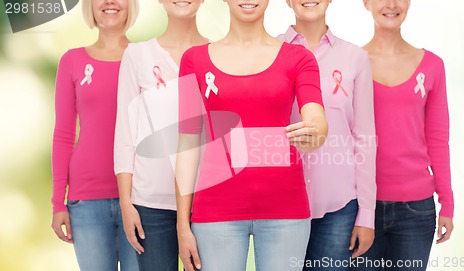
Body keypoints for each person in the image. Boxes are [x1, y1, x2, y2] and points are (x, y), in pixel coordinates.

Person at [175, 0, 328, 270]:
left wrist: (316, 130)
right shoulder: (194, 60)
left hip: (286, 211)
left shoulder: (299, 57)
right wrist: (182, 226)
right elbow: (188, 143)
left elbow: (316, 116)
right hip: (215, 212)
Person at [352, 0, 455, 270]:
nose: (390, 4)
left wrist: (447, 203)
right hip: (361, 208)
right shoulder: (351, 63)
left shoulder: (432, 65)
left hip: (416, 209)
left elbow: (438, 139)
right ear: (365, 3)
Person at [278, 1, 376, 270]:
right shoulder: (268, 52)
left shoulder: (354, 57)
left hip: (338, 206)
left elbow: (365, 138)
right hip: (279, 205)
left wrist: (367, 214)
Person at [114, 0, 208, 270]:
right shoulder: (137, 55)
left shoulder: (217, 54)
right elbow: (125, 132)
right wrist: (126, 202)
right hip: (149, 203)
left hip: (205, 201)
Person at [51, 0, 140, 270]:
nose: (110, 2)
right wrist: (58, 202)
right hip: (86, 201)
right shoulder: (72, 61)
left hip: (140, 198)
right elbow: (64, 135)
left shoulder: (146, 57)